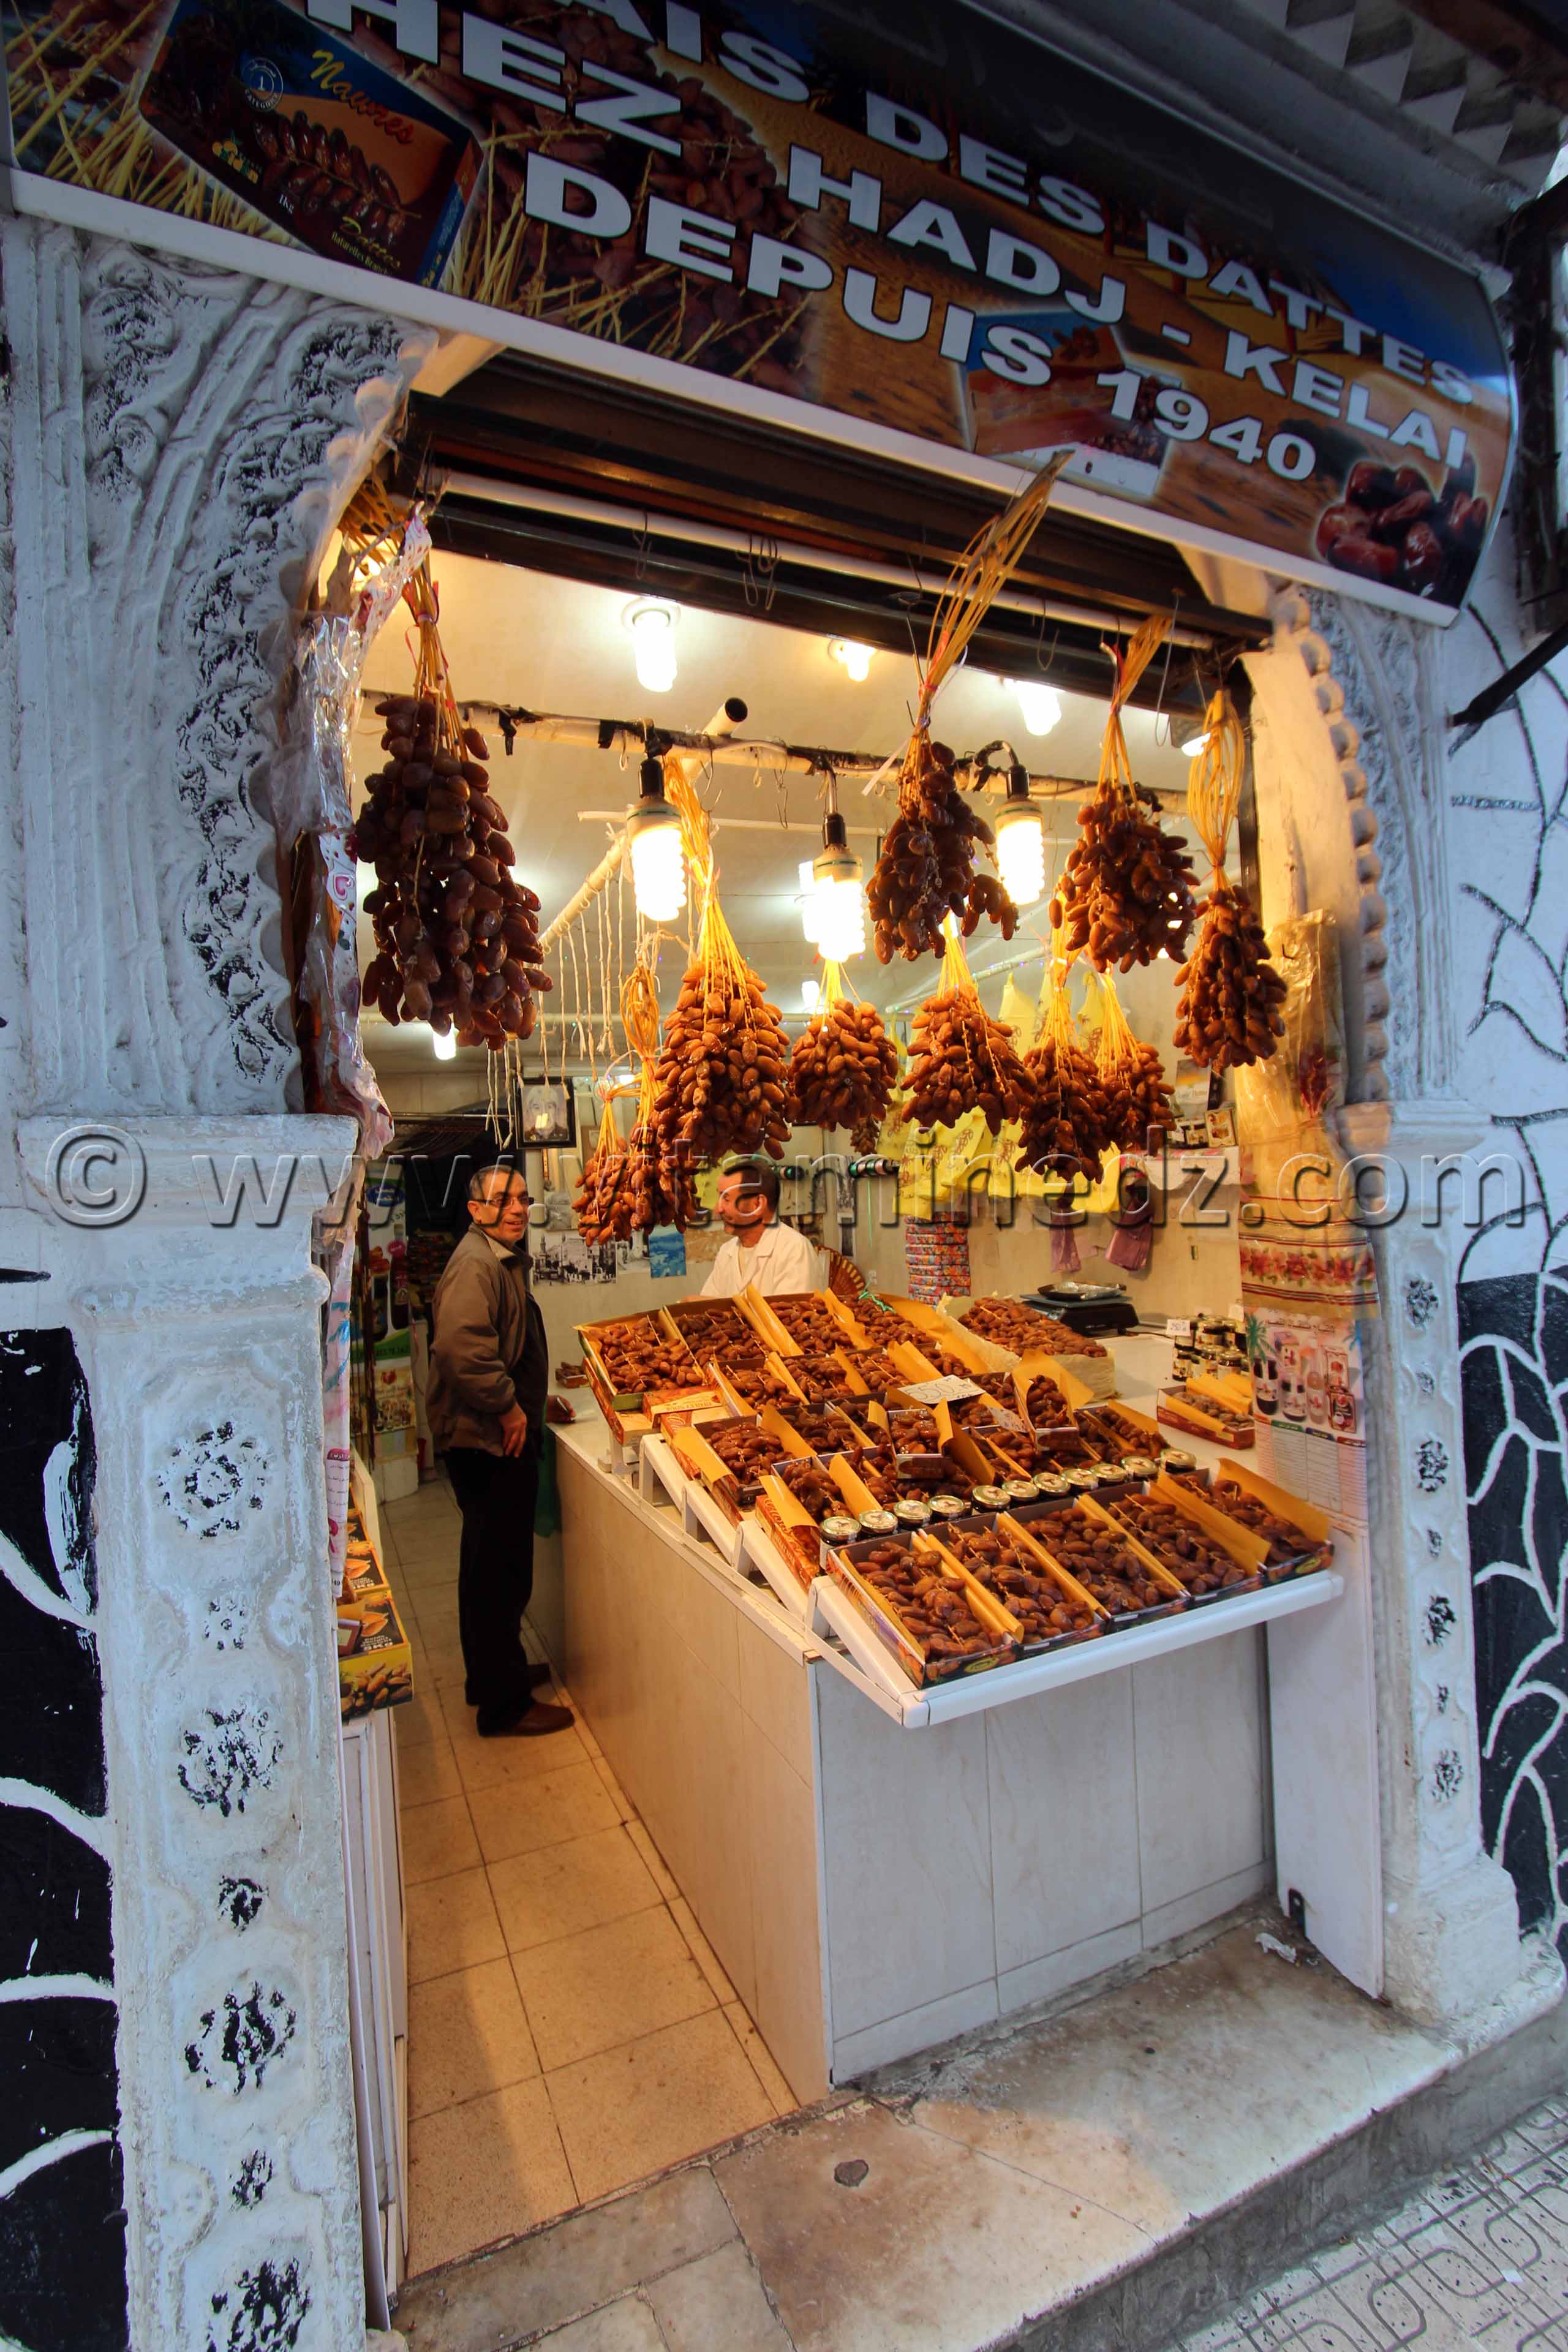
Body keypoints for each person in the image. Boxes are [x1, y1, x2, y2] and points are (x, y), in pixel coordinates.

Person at [426, 1164, 573, 1738]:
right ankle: (503, 1706)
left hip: (497, 1431)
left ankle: (492, 1677)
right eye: (502, 1200)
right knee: (499, 1573)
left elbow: (507, 1347)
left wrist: (534, 1402)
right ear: (475, 1209)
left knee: (489, 1567)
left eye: (522, 1199)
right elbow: (461, 1349)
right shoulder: (477, 1264)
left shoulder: (497, 1258)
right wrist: (510, 1408)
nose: (516, 1208)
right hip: (486, 1439)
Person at [700, 1159, 825, 1299]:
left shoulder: (794, 1249)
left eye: (727, 1199)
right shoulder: (726, 1251)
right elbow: (708, 1306)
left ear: (758, 1204)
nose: (718, 1209)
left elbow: (791, 1311)